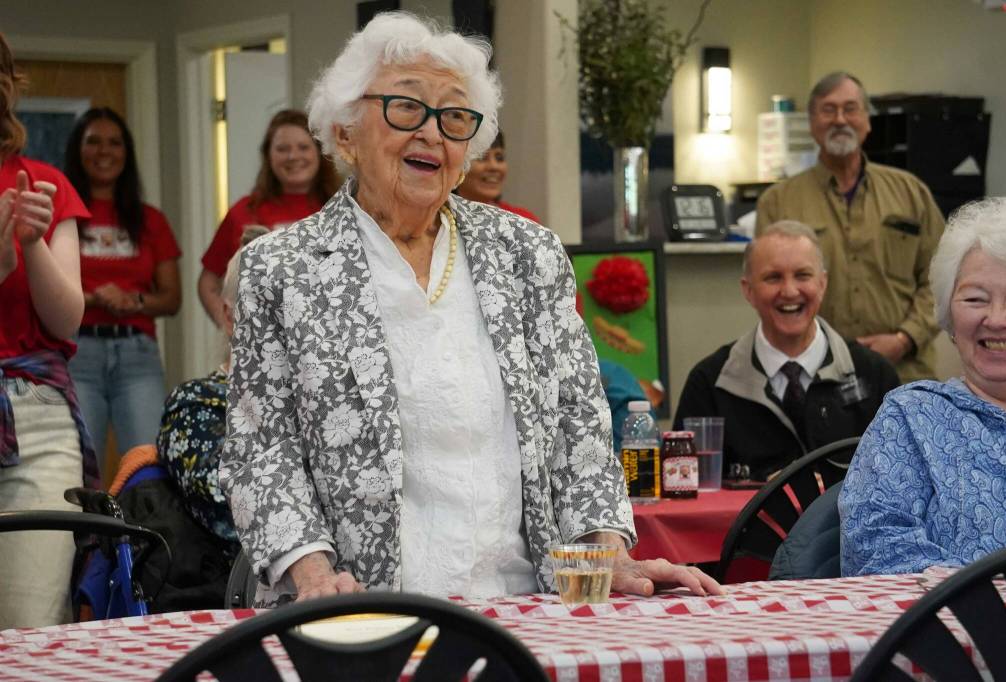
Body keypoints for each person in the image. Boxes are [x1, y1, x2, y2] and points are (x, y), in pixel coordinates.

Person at [220, 12, 722, 606]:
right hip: (357, 612)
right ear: (346, 132)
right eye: (407, 108)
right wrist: (312, 576)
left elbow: (578, 423)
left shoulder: (529, 253)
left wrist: (607, 552)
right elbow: (262, 450)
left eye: (455, 117)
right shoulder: (280, 269)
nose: (432, 133)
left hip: (525, 601)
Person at [840, 197, 1006, 576]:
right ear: (949, 315)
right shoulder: (911, 417)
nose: (997, 319)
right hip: (954, 630)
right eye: (975, 299)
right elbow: (876, 547)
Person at [756, 72, 944, 384]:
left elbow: (942, 278)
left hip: (906, 374)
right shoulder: (778, 202)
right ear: (812, 122)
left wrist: (905, 338)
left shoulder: (911, 193)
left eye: (850, 108)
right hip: (814, 378)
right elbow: (770, 290)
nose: (840, 119)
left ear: (867, 120)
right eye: (828, 110)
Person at [674, 221, 899, 482]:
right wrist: (762, 484)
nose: (790, 291)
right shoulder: (709, 384)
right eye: (773, 277)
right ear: (748, 290)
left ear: (823, 284)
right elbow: (685, 491)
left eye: (803, 275)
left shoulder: (874, 375)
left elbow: (903, 482)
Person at [0, 33, 97, 629]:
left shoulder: (41, 181)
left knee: (30, 625)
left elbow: (67, 319)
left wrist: (29, 244)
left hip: (34, 417)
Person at [63, 108, 182, 471]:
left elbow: (171, 298)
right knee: (82, 465)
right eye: (93, 141)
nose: (104, 151)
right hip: (76, 350)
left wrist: (132, 301)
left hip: (137, 356)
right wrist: (91, 298)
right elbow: (40, 285)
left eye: (114, 142)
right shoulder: (62, 214)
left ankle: (140, 531)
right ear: (78, 151)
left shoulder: (150, 219)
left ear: (126, 153)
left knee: (146, 465)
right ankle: (86, 532)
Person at [158, 226, 268, 545]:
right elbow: (232, 508)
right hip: (241, 588)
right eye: (264, 304)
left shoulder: (328, 400)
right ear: (229, 317)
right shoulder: (195, 405)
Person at [197, 109, 341, 327]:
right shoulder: (244, 211)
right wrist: (229, 326)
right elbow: (208, 282)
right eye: (283, 149)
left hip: (326, 340)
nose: (293, 156)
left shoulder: (342, 209)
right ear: (268, 155)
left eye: (303, 147)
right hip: (258, 341)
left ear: (320, 153)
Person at [454, 128, 539, 222]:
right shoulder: (438, 219)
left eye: (499, 158)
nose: (494, 166)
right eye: (482, 157)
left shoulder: (523, 220)